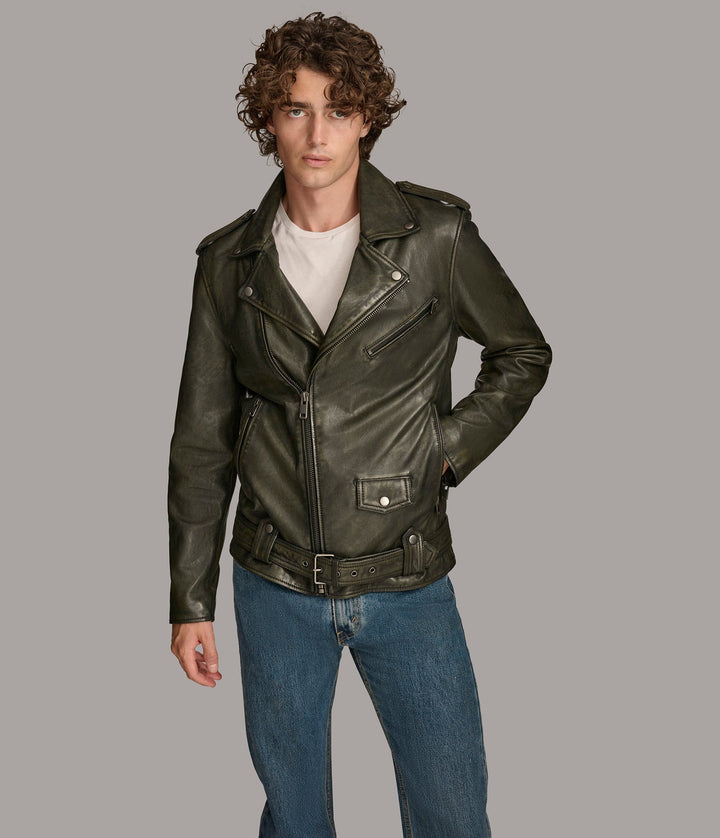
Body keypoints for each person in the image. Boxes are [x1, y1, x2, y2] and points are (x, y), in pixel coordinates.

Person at [168, 12, 551, 837]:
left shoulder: (435, 237)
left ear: (367, 118)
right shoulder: (229, 263)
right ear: (268, 119)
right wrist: (190, 600)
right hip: (274, 580)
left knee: (452, 817)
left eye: (338, 110)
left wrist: (444, 452)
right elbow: (201, 439)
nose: (318, 135)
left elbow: (522, 352)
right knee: (295, 821)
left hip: (405, 573)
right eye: (296, 109)